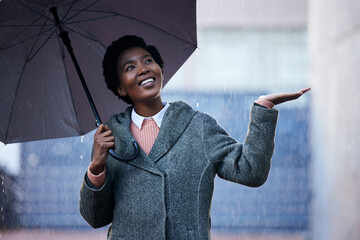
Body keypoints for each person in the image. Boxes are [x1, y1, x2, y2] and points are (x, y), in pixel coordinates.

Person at [79, 35, 310, 240]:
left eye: (148, 60)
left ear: (160, 68)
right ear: (120, 88)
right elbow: (95, 218)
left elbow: (251, 170)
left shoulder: (197, 125)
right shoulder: (109, 136)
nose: (143, 69)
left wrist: (263, 108)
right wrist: (97, 167)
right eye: (130, 67)